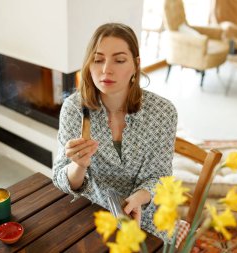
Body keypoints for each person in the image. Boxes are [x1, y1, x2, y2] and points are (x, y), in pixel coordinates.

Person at [52, 23, 177, 241]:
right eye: (98, 60)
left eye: (119, 60)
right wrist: (78, 165)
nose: (106, 69)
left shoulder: (163, 112)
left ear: (136, 65)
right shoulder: (74, 108)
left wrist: (139, 198)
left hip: (145, 216)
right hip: (92, 213)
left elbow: (161, 177)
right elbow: (61, 180)